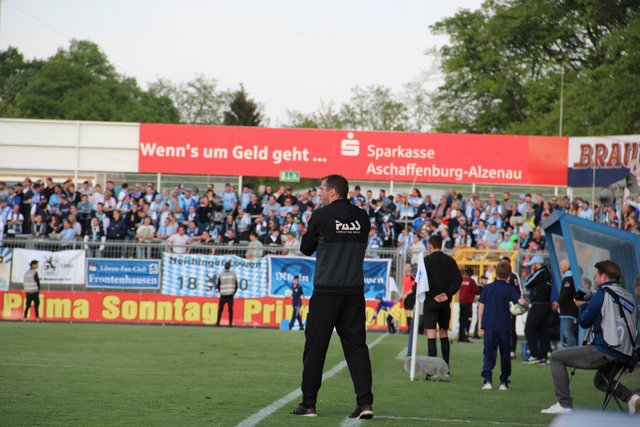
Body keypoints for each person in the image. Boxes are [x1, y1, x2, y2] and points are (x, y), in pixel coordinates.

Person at [291, 174, 374, 420]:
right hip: (354, 291)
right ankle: (365, 403)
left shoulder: (321, 215)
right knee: (357, 347)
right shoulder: (362, 217)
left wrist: (310, 228)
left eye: (321, 189)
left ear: (333, 192)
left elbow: (306, 248)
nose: (319, 193)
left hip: (327, 290)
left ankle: (309, 404)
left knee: (315, 347)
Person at [541, 260, 640, 415]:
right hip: (625, 354)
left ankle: (564, 404)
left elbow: (584, 322)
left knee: (556, 357)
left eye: (596, 276)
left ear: (604, 277)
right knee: (600, 381)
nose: (595, 279)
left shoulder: (601, 295)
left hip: (604, 349)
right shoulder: (629, 296)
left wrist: (582, 305)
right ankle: (631, 398)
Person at [478, 262, 528, 390]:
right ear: (509, 274)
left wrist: (479, 325)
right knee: (505, 355)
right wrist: (526, 307)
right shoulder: (510, 289)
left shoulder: (487, 288)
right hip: (504, 326)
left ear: (496, 272)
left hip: (489, 325)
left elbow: (481, 307)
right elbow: (521, 302)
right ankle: (504, 382)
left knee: (488, 353)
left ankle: (487, 380)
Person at [423, 234, 462, 370]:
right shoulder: (450, 261)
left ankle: (432, 369)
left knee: (431, 334)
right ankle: (446, 367)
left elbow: (422, 282)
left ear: (430, 246)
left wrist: (432, 295)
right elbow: (458, 280)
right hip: (445, 303)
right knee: (444, 334)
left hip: (430, 303)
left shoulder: (427, 261)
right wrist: (446, 294)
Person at [523, 255, 554, 364]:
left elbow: (527, 284)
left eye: (533, 265)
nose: (532, 267)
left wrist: (532, 273)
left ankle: (534, 355)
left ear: (537, 264)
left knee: (529, 329)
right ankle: (542, 356)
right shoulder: (548, 274)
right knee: (543, 331)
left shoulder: (540, 273)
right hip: (547, 305)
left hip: (538, 304)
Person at [500, 256, 524, 358]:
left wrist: (517, 304)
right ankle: (503, 349)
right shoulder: (499, 276)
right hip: (501, 306)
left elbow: (519, 290)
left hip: (511, 306)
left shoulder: (514, 276)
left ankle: (512, 350)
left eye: (505, 263)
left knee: (511, 328)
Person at [557, 259, 578, 348]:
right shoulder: (572, 278)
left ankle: (574, 351)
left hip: (568, 311)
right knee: (567, 332)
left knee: (567, 332)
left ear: (565, 267)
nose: (561, 269)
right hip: (569, 310)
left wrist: (558, 302)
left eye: (561, 267)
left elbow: (565, 293)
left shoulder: (568, 279)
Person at [458, 267, 480, 342]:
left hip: (461, 302)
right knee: (467, 319)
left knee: (461, 320)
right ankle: (465, 336)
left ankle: (460, 336)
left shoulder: (462, 280)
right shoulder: (471, 281)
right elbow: (476, 291)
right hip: (468, 303)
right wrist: (481, 288)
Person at [215, 261, 237, 327]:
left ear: (224, 267)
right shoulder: (233, 274)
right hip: (230, 294)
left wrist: (221, 291)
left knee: (220, 309)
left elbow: (218, 285)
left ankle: (218, 323)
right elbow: (236, 285)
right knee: (230, 310)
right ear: (230, 267)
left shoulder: (221, 274)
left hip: (223, 294)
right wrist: (233, 292)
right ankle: (230, 324)